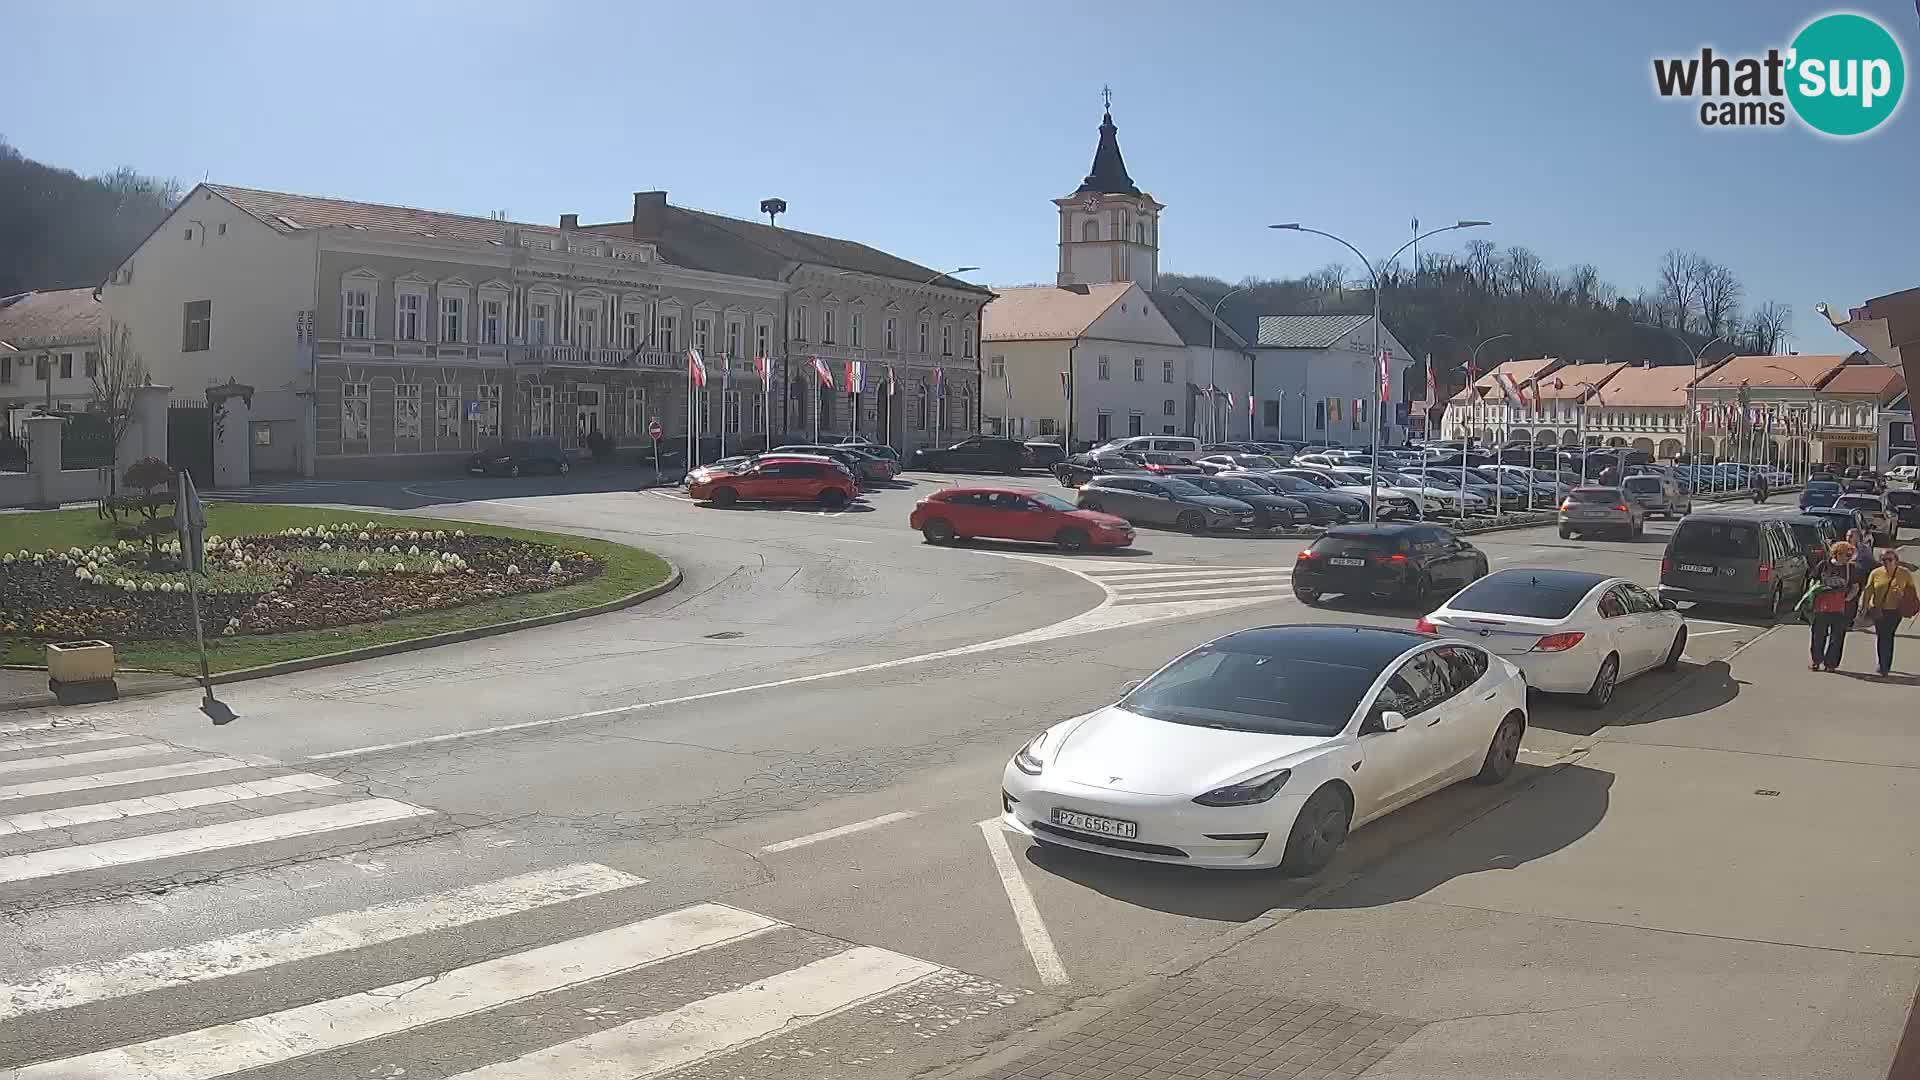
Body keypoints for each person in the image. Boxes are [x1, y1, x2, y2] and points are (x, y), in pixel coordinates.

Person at [1859, 548, 1918, 677]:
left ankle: (1885, 664)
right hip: (1878, 610)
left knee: (1888, 635)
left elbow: (1911, 593)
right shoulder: (1875, 573)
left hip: (1895, 611)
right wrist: (1864, 607)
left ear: (1896, 560)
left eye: (1890, 560)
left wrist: (1902, 595)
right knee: (1881, 635)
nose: (1887, 562)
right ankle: (1882, 663)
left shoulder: (1904, 574)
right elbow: (1868, 590)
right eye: (1884, 560)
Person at [1805, 540, 1860, 672]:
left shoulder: (1851, 569)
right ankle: (1816, 660)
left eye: (1850, 555)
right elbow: (1813, 580)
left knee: (1837, 637)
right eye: (1846, 555)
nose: (1848, 557)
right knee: (1818, 634)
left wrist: (1847, 598)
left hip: (1841, 608)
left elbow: (1855, 586)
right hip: (1822, 606)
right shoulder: (1823, 565)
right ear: (1837, 554)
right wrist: (1812, 594)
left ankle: (1831, 664)